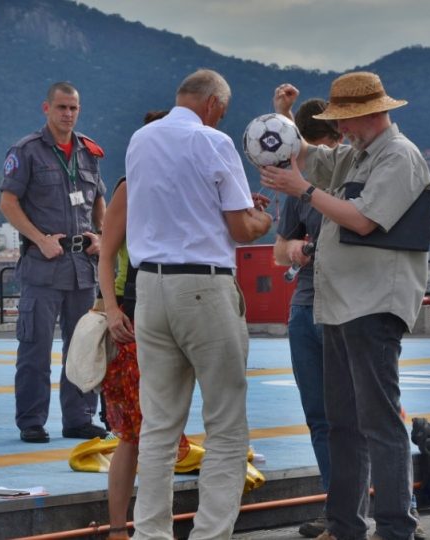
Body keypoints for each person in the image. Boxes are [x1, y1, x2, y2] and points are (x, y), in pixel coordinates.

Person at [260, 72, 430, 540]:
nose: (344, 131)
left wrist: (303, 190)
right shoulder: (357, 156)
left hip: (373, 304)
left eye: (348, 121)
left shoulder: (399, 157)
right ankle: (345, 525)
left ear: (369, 114)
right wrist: (280, 123)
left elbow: (362, 220)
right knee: (342, 423)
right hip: (339, 305)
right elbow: (311, 156)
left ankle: (397, 527)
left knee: (379, 420)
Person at [125, 69, 272, 539]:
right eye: (222, 112)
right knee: (226, 424)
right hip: (203, 288)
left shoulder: (140, 140)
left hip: (150, 289)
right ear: (213, 105)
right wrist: (262, 219)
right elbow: (240, 229)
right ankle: (210, 535)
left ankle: (150, 534)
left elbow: (170, 203)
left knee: (159, 427)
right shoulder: (214, 142)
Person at [98, 110, 197, 540]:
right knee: (136, 434)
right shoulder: (129, 186)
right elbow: (106, 253)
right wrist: (111, 309)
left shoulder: (186, 184)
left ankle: (149, 523)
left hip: (173, 315)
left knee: (159, 429)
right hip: (134, 317)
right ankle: (122, 528)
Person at [0, 81, 109, 444]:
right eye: (61, 107)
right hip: (44, 267)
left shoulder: (89, 153)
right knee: (35, 348)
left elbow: (98, 202)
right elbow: (8, 203)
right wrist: (39, 239)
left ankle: (79, 418)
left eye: (73, 108)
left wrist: (102, 235)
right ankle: (31, 420)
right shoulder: (27, 151)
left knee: (84, 348)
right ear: (46, 109)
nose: (68, 114)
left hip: (82, 269)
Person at [270, 88, 341, 538]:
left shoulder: (355, 169)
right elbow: (279, 251)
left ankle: (394, 504)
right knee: (320, 415)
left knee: (364, 411)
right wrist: (297, 249)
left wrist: (282, 116)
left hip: (344, 307)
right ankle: (339, 508)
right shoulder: (297, 184)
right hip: (306, 306)